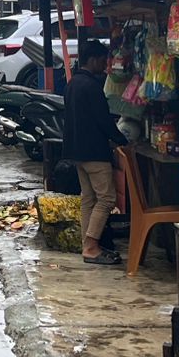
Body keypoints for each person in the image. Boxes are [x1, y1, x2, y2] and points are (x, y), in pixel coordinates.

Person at [66, 41, 126, 266]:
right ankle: (91, 246)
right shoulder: (91, 86)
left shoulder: (73, 83)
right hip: (95, 152)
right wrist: (122, 140)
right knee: (107, 199)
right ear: (92, 60)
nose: (104, 65)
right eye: (102, 61)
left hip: (77, 151)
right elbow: (104, 122)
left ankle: (88, 245)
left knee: (88, 199)